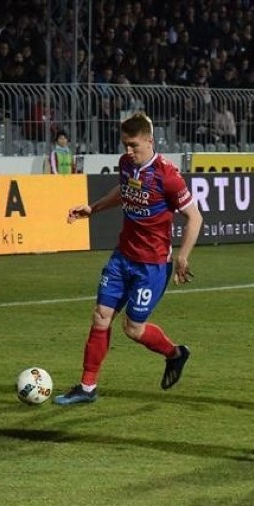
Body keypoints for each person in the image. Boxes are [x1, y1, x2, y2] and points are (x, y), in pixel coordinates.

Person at [55, 112, 203, 405]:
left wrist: (184, 257)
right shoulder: (126, 165)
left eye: (134, 145)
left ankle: (175, 353)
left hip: (152, 265)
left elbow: (195, 218)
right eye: (125, 144)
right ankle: (87, 387)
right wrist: (93, 209)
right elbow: (123, 193)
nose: (128, 151)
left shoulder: (168, 176)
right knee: (100, 316)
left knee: (133, 329)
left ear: (150, 141)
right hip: (122, 257)